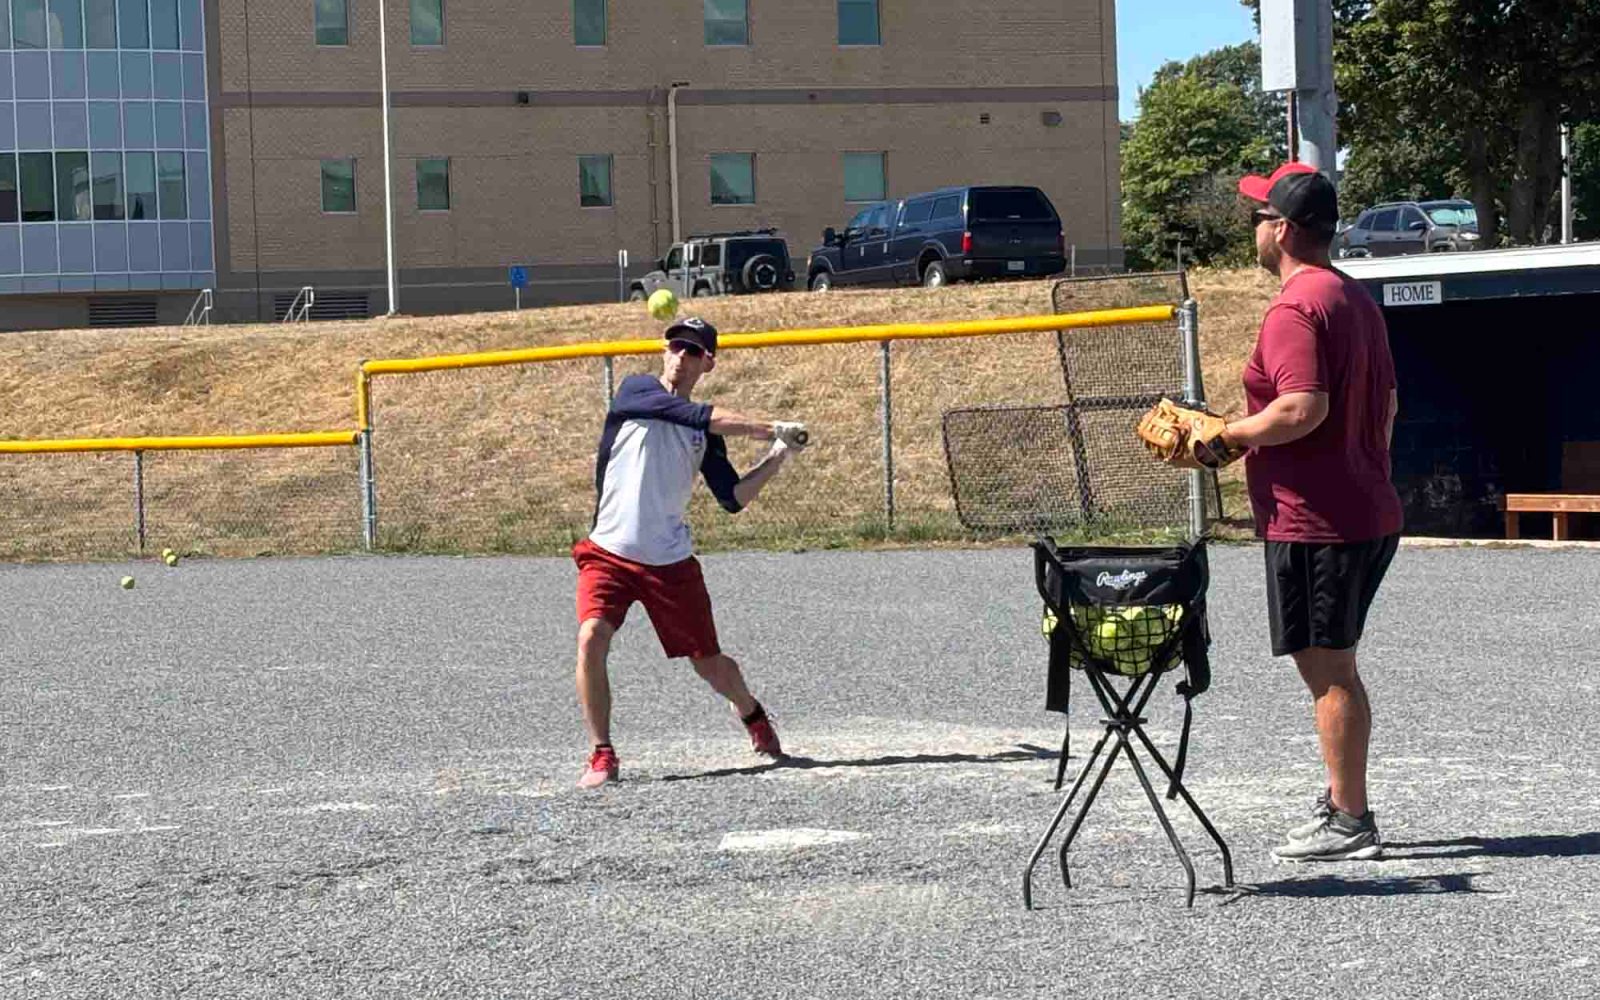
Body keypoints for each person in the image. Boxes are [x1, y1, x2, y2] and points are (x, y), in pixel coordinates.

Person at [1215, 162, 1404, 861]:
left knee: (1329, 670)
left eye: (1261, 218)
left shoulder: (1295, 307)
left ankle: (1351, 820)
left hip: (1319, 519)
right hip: (1360, 508)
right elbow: (1387, 407)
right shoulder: (1354, 297)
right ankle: (1340, 800)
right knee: (1334, 665)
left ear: (1286, 230)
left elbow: (1301, 407)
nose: (1255, 230)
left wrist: (1228, 436)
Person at [571, 316, 806, 788]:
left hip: (670, 563)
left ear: (708, 363)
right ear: (664, 349)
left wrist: (779, 454)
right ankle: (602, 754)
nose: (681, 356)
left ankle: (752, 713)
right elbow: (698, 415)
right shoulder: (636, 393)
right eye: (676, 345)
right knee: (591, 637)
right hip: (608, 554)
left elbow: (733, 499)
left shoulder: (705, 434)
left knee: (708, 662)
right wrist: (768, 427)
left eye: (693, 351)